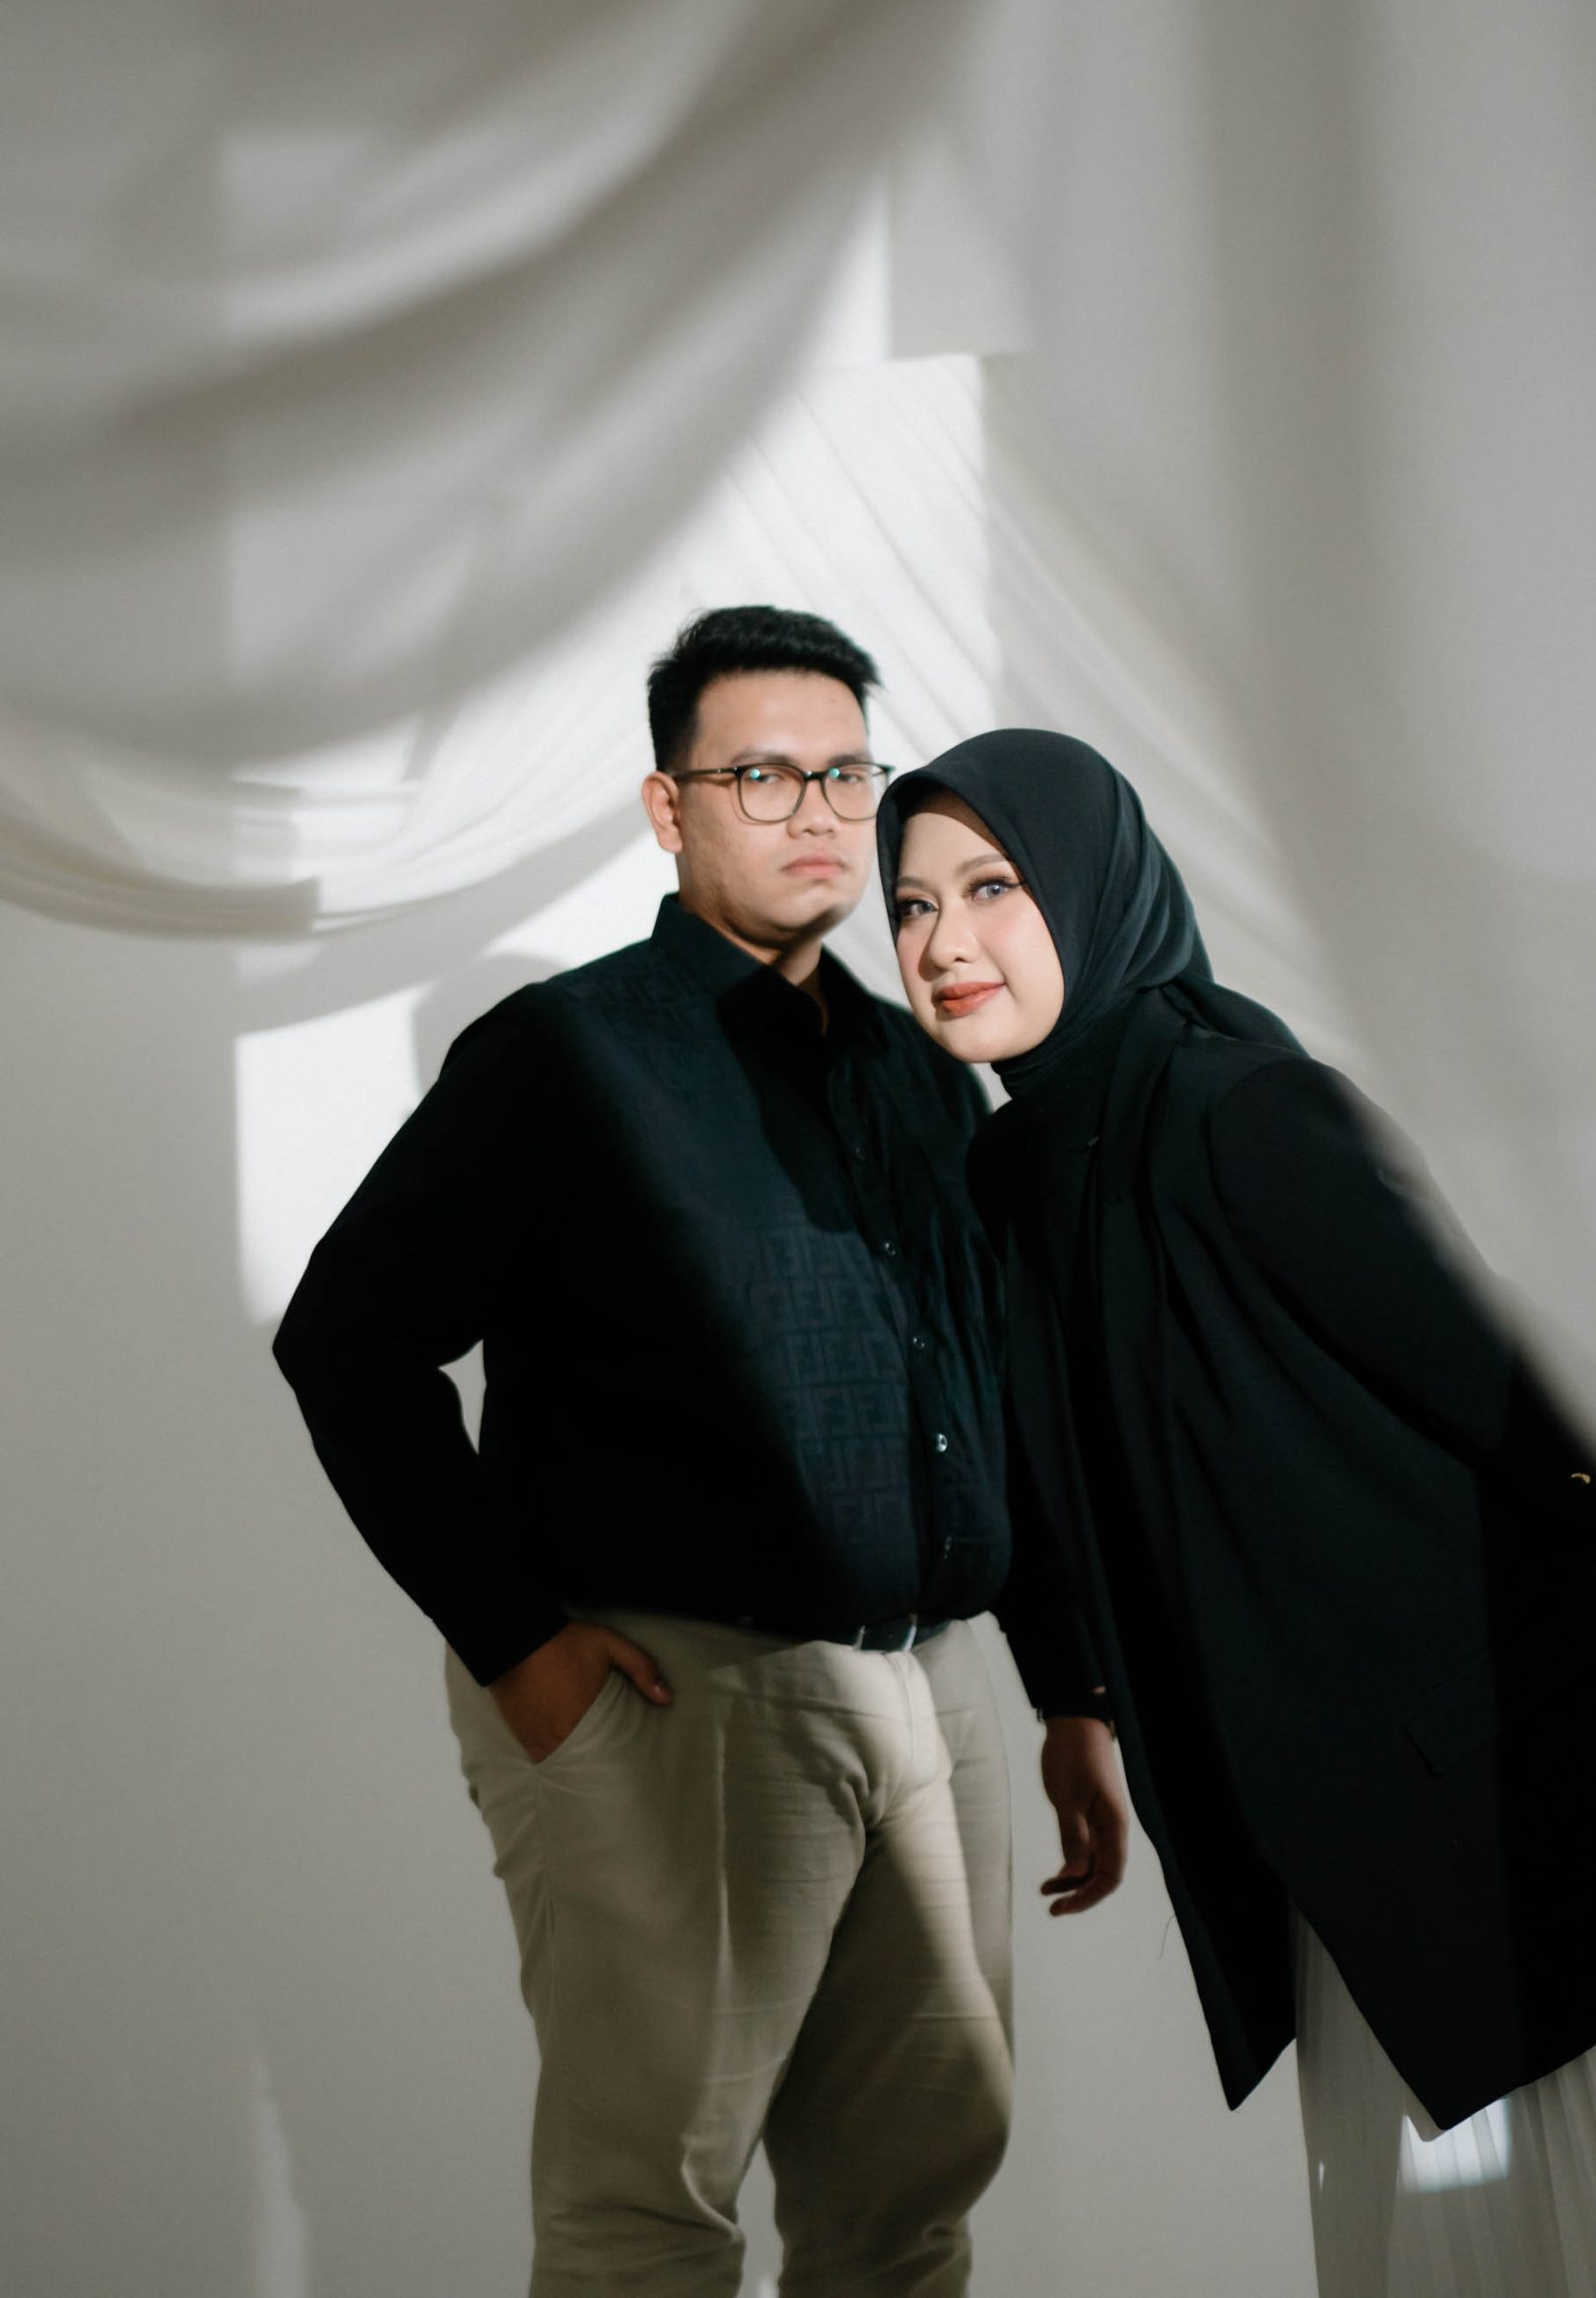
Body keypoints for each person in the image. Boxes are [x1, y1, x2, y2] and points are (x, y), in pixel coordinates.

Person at [273, 613, 1125, 2298]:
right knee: (651, 2218)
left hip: (932, 1693)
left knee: (909, 2211)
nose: (818, 812)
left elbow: (993, 1385)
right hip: (684, 1696)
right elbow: (347, 1339)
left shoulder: (920, 1070)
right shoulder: (568, 1056)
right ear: (671, 809)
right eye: (764, 776)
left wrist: (1072, 1688)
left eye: (846, 773)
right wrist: (517, 1645)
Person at [878, 725, 1596, 2298]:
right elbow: (1062, 1468)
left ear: (1093, 889)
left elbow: (1506, 1374)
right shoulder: (1022, 1171)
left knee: (1595, 2232)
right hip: (1346, 1815)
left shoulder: (1233, 1103)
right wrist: (1079, 1702)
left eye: (992, 887)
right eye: (910, 907)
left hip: (1522, 1787)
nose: (944, 942)